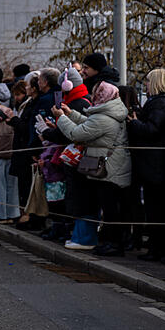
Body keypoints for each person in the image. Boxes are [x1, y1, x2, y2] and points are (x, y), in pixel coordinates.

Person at [53, 81, 131, 252]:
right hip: (112, 166)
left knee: (110, 208)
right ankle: (112, 242)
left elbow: (77, 133)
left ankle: (113, 244)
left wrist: (61, 118)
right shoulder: (111, 112)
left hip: (108, 169)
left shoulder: (104, 117)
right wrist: (70, 113)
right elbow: (89, 123)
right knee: (109, 206)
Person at [127, 69, 165, 261]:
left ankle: (160, 248)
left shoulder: (160, 104)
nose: (145, 84)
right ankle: (160, 247)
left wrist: (134, 123)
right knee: (159, 207)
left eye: (148, 81)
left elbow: (152, 130)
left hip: (154, 165)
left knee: (157, 208)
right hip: (156, 164)